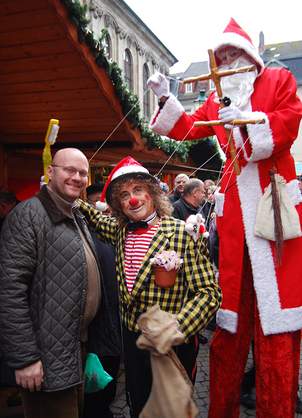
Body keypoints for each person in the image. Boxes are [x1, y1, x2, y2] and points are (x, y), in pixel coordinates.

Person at [148, 18, 302, 418]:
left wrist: (248, 121)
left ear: (250, 57)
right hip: (235, 220)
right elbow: (187, 127)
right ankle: (222, 409)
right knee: (229, 324)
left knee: (278, 328)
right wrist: (166, 101)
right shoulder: (218, 98)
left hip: (274, 212)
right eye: (223, 56)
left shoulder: (279, 80)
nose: (229, 61)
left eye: (234, 54)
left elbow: (286, 123)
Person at [78, 156, 221, 418]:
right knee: (139, 403)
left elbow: (210, 294)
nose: (132, 199)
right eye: (124, 195)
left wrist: (176, 327)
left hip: (170, 343)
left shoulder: (181, 233)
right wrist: (69, 197)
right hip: (132, 341)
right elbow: (96, 220)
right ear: (118, 205)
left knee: (171, 409)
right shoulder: (120, 231)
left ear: (152, 193)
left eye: (138, 190)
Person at [0, 148, 118, 418]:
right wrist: (26, 358)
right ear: (50, 172)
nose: (77, 177)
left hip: (76, 348)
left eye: (82, 173)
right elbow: (9, 291)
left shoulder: (75, 213)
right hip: (44, 355)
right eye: (69, 170)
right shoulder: (28, 215)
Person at [83, 186, 123, 418]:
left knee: (110, 374)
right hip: (97, 318)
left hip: (116, 318)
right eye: (97, 202)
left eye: (106, 202)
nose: (103, 207)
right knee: (95, 380)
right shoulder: (86, 234)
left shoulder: (119, 231)